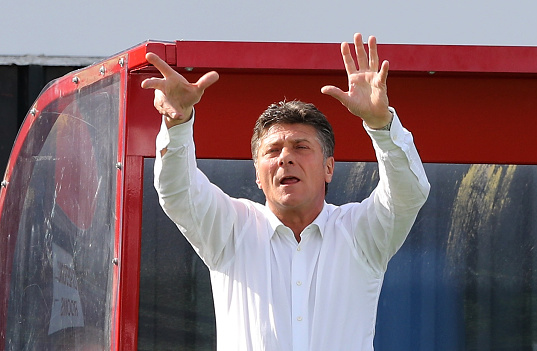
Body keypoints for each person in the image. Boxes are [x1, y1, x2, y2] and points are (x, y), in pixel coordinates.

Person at [142, 33, 430, 350]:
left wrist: (381, 126)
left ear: (329, 167)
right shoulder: (231, 229)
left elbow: (408, 194)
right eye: (273, 150)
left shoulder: (358, 232)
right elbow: (177, 192)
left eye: (300, 147)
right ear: (257, 174)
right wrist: (177, 121)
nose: (285, 158)